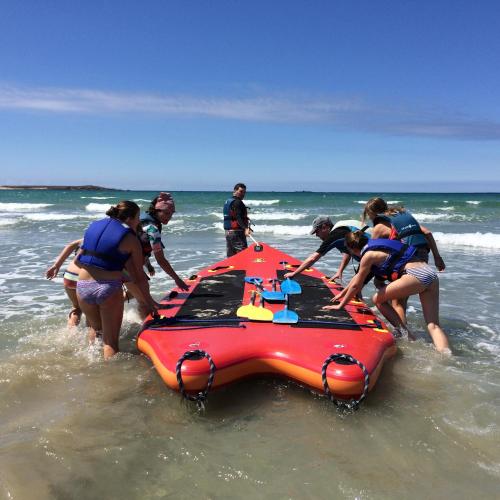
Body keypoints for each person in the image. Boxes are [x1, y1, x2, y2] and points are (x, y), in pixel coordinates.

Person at [324, 231, 450, 353]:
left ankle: (406, 334)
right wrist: (342, 294)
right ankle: (446, 356)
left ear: (352, 249)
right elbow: (357, 279)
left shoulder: (368, 256)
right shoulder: (378, 247)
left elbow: (356, 286)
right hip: (430, 273)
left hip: (415, 274)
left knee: (377, 299)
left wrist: (341, 305)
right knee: (433, 325)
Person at [76, 201, 157, 359]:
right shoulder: (130, 237)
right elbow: (140, 277)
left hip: (82, 287)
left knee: (96, 331)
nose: (139, 221)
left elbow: (79, 260)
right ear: (129, 218)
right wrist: (149, 302)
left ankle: (91, 368)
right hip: (108, 289)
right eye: (137, 217)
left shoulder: (93, 226)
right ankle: (111, 379)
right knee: (110, 343)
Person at [362, 197, 445, 322]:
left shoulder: (379, 226)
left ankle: (403, 334)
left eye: (369, 214)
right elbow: (427, 232)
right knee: (402, 299)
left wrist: (360, 281)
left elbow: (372, 254)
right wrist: (437, 257)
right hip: (422, 257)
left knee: (397, 301)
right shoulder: (398, 217)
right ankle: (403, 327)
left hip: (407, 259)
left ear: (371, 213)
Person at [284, 217, 369, 283]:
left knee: (357, 285)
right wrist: (340, 271)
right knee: (375, 283)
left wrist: (294, 274)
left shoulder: (334, 236)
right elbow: (347, 252)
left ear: (324, 227)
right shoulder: (340, 232)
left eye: (317, 231)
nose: (317, 235)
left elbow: (313, 258)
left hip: (372, 258)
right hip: (375, 256)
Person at [45, 238, 84, 327]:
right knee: (92, 312)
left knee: (76, 308)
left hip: (70, 276)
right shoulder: (111, 240)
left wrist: (56, 265)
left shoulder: (88, 237)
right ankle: (94, 339)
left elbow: (70, 245)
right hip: (85, 277)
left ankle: (70, 333)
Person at [223, 183, 252, 257]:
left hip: (228, 233)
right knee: (243, 255)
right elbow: (238, 217)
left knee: (231, 257)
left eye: (244, 192)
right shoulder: (237, 202)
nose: (243, 194)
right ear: (235, 191)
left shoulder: (229, 201)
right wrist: (245, 228)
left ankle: (232, 268)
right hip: (237, 233)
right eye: (241, 191)